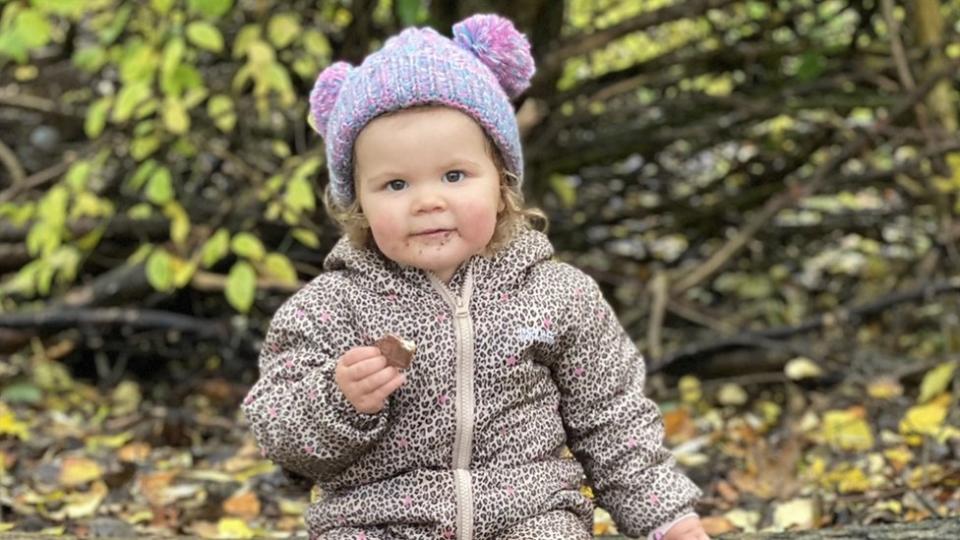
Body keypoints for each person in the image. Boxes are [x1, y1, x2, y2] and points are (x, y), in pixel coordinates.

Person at [242, 13, 709, 540]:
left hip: (530, 517)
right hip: (380, 521)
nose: (428, 201)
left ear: (502, 184)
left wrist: (669, 521)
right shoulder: (330, 307)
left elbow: (612, 418)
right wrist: (337, 399)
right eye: (394, 184)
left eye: (455, 175)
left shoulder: (557, 296)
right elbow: (276, 429)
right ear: (358, 205)